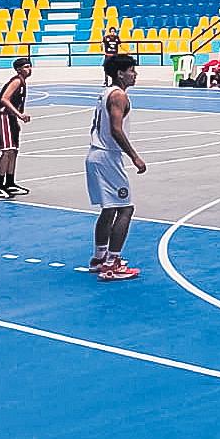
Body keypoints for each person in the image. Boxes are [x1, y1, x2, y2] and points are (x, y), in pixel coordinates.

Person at [86, 53, 146, 282]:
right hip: (108, 157)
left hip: (96, 154)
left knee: (109, 209)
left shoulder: (106, 92)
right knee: (125, 209)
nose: (135, 74)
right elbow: (116, 129)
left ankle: (99, 257)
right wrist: (134, 156)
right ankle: (112, 263)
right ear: (120, 73)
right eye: (131, 70)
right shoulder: (119, 95)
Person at [0, 57, 34, 198]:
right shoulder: (16, 81)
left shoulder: (22, 82)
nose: (29, 69)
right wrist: (19, 114)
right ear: (19, 69)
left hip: (11, 118)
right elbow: (4, 98)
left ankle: (10, 183)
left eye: (30, 66)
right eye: (26, 67)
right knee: (7, 151)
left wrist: (17, 117)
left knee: (14, 151)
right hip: (3, 118)